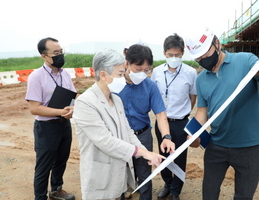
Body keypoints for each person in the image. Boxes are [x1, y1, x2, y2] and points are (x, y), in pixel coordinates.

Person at [185, 27, 259, 200]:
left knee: (244, 195)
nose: (202, 60)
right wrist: (193, 135)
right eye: (197, 58)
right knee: (209, 191)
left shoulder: (245, 60)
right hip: (217, 145)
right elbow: (202, 112)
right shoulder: (201, 79)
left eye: (205, 54)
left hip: (251, 146)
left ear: (217, 43)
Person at [72, 48, 165, 200]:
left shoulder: (116, 100)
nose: (123, 78)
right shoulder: (85, 103)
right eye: (120, 74)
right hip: (100, 174)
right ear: (103, 75)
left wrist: (150, 154)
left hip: (118, 172)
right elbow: (106, 141)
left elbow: (127, 132)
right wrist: (144, 153)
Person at [118, 44, 175, 200]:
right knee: (119, 176)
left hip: (142, 136)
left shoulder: (149, 86)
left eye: (146, 70)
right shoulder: (114, 84)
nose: (142, 74)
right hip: (119, 137)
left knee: (145, 176)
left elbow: (161, 115)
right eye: (138, 69)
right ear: (127, 63)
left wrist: (166, 137)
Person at [25, 37, 76, 200]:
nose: (60, 56)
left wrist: (72, 108)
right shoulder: (36, 77)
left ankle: (56, 190)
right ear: (44, 56)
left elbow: (74, 96)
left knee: (61, 160)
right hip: (46, 128)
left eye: (61, 52)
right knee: (44, 165)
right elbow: (34, 108)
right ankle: (40, 197)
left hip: (64, 124)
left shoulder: (65, 74)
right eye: (55, 53)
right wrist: (61, 111)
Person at [151, 33, 197, 200]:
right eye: (170, 55)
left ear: (182, 53)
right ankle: (167, 184)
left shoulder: (190, 73)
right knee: (163, 155)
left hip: (180, 123)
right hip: (161, 122)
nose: (174, 58)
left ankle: (176, 191)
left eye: (177, 55)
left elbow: (193, 97)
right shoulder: (156, 72)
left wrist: (183, 114)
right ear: (164, 53)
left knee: (179, 157)